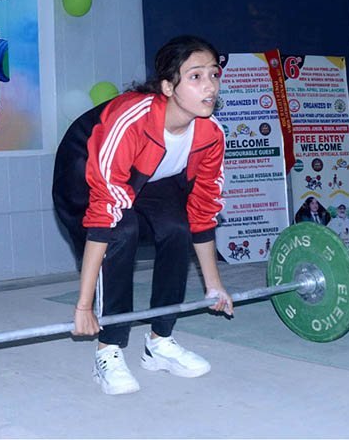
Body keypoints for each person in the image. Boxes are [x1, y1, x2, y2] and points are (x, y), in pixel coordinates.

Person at [52, 35, 233, 396]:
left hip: (149, 175)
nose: (210, 85)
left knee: (176, 227)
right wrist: (83, 306)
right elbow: (104, 215)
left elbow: (202, 210)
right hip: (84, 171)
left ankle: (160, 343)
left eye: (213, 74)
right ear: (168, 86)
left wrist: (214, 286)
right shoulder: (132, 120)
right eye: (196, 77)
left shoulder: (210, 135)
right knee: (122, 229)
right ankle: (109, 349)